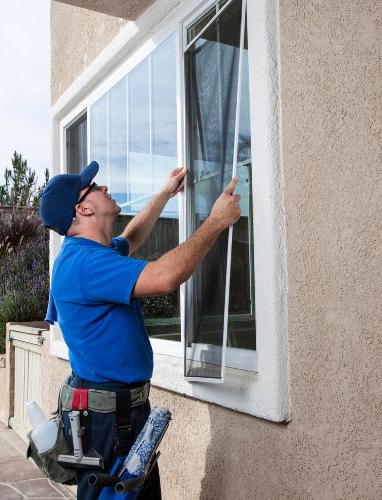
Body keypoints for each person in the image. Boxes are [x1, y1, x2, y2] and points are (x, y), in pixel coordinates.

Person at [39, 161, 240, 500]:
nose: (104, 188)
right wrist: (216, 221)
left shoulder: (94, 252)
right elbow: (165, 278)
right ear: (84, 207)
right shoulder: (85, 265)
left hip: (122, 413)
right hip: (106, 423)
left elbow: (131, 236)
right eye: (95, 187)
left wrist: (163, 195)